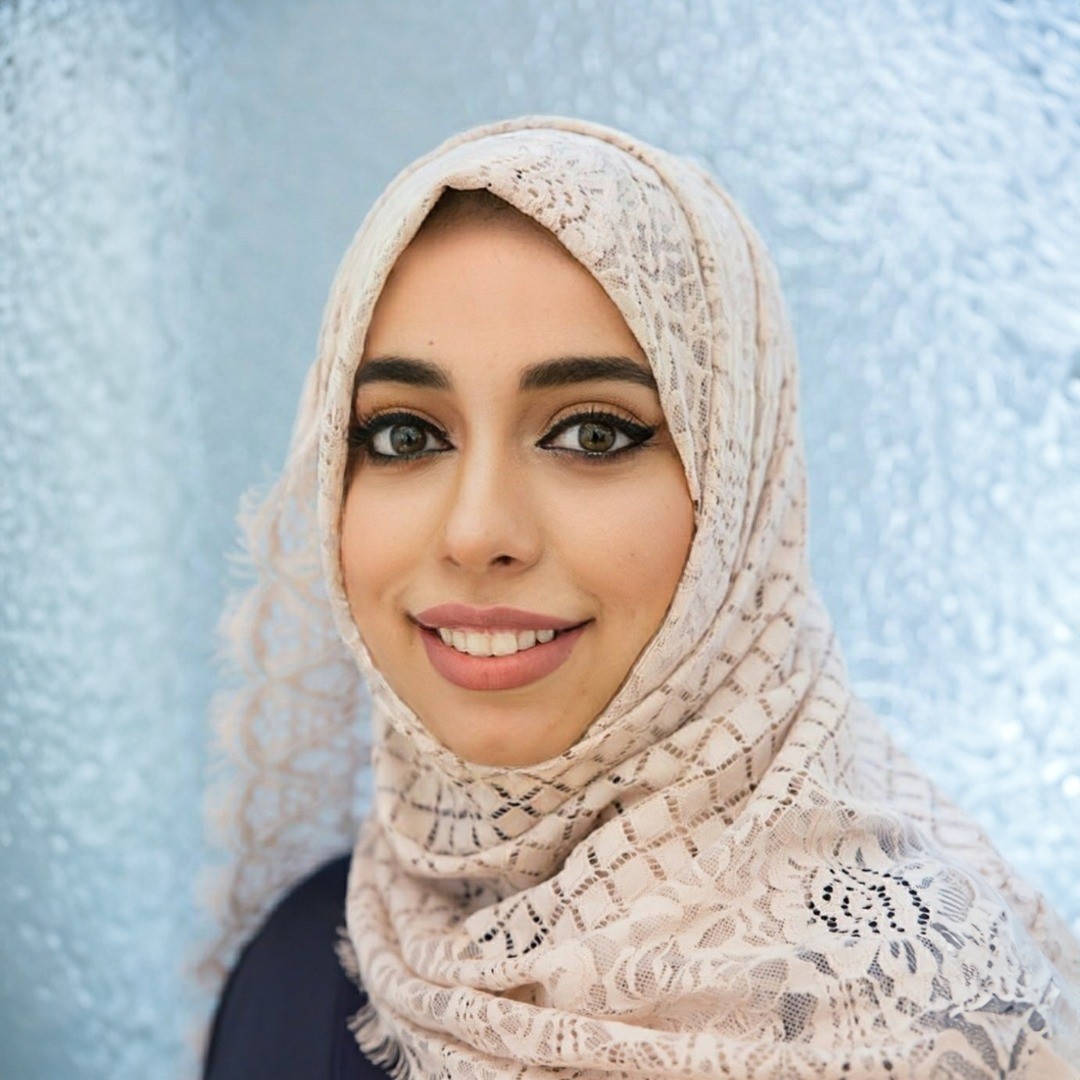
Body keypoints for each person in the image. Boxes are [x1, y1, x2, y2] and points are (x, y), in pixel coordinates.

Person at [200, 117, 1080, 1078]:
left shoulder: (929, 1014)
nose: (477, 531)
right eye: (406, 435)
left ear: (739, 495)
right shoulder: (307, 962)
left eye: (591, 434)